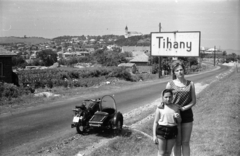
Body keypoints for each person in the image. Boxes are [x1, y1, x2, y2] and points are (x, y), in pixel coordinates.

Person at [166, 60, 196, 156]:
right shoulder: (170, 84)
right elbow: (165, 100)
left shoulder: (191, 84)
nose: (180, 72)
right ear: (174, 72)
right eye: (177, 70)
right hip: (175, 116)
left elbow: (193, 101)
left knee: (185, 142)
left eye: (181, 69)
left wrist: (184, 108)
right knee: (177, 143)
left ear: (184, 70)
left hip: (187, 115)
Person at [153, 89, 181, 156]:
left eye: (170, 97)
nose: (168, 99)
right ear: (163, 97)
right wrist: (154, 135)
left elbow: (179, 122)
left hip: (172, 130)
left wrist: (178, 117)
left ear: (172, 97)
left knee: (168, 152)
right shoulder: (160, 107)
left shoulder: (176, 107)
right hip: (161, 130)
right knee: (161, 152)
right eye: (166, 97)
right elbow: (155, 122)